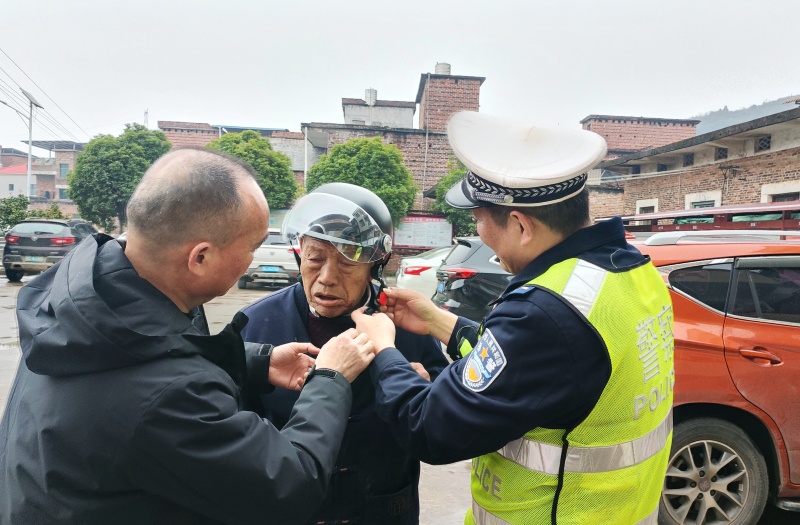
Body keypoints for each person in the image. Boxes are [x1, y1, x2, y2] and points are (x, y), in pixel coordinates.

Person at [0, 147, 376, 525]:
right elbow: (290, 483)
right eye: (252, 247)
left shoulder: (83, 296)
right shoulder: (169, 397)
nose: (252, 260)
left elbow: (148, 354)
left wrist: (255, 363)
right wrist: (331, 378)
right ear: (200, 257)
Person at [352, 111, 675, 525]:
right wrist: (439, 323)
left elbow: (430, 427)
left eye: (478, 220)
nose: (479, 236)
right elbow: (537, 373)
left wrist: (384, 348)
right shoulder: (629, 272)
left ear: (521, 225)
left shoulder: (547, 311)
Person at [240, 183, 449, 525]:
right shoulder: (256, 322)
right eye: (315, 259)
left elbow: (441, 424)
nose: (326, 279)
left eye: (347, 263)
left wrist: (425, 391)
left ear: (376, 264)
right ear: (300, 252)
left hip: (382, 511)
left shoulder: (409, 324)